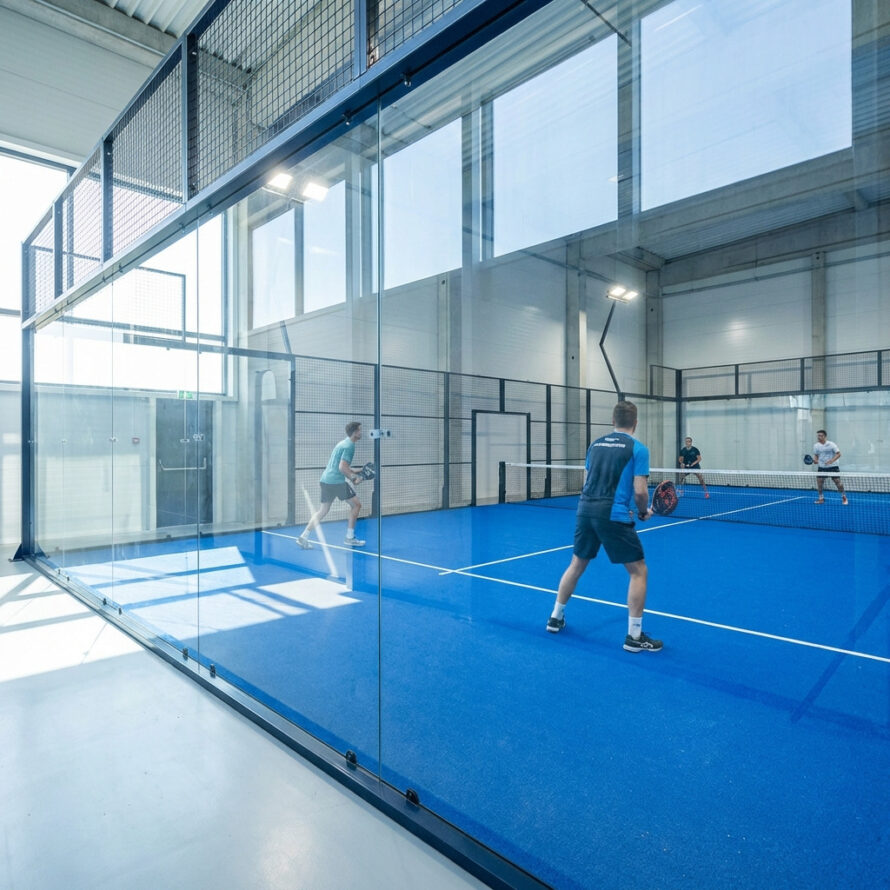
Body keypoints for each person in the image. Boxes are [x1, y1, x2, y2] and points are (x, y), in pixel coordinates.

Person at [547, 400, 662, 653]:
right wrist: (644, 512)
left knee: (576, 565)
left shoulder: (595, 445)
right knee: (638, 571)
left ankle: (555, 617)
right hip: (612, 513)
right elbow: (641, 492)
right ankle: (634, 636)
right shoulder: (638, 449)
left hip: (585, 510)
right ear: (636, 422)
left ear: (613, 421)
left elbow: (588, 481)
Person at [297, 421, 367, 548]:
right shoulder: (350, 446)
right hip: (336, 482)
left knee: (323, 510)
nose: (361, 432)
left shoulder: (343, 443)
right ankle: (349, 537)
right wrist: (354, 479)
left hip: (326, 479)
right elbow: (341, 468)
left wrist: (358, 471)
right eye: (360, 430)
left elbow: (341, 466)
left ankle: (304, 536)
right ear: (355, 432)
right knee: (356, 505)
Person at [812, 429, 848, 505]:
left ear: (825, 436)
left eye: (820, 435)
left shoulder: (831, 444)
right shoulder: (816, 446)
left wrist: (831, 461)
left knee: (838, 482)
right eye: (818, 435)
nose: (819, 437)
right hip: (822, 467)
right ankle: (821, 498)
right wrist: (815, 460)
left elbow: (838, 454)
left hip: (833, 466)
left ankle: (844, 497)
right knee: (819, 482)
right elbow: (816, 455)